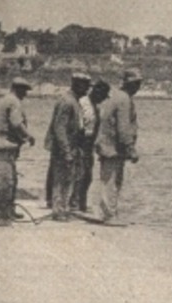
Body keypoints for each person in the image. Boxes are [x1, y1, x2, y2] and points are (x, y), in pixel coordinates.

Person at [94, 69, 141, 224]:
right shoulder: (124, 99)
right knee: (112, 181)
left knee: (109, 180)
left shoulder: (116, 96)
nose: (138, 87)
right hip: (112, 147)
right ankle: (109, 215)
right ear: (130, 84)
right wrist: (130, 148)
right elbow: (123, 127)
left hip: (108, 144)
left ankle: (109, 213)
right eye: (136, 84)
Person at [44, 73, 91, 220]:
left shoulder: (73, 101)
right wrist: (66, 151)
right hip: (64, 148)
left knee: (68, 179)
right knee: (61, 180)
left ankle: (62, 209)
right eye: (86, 85)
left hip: (71, 146)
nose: (88, 89)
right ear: (77, 84)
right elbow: (60, 128)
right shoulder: (67, 102)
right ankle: (59, 212)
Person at [74, 78, 105, 213]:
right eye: (102, 96)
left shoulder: (96, 106)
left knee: (87, 176)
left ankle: (81, 203)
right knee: (80, 175)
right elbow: (78, 126)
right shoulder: (83, 103)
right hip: (80, 142)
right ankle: (75, 203)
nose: (103, 99)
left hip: (89, 145)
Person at [0, 77, 35, 146]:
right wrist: (29, 136)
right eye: (24, 90)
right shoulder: (14, 101)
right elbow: (17, 123)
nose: (25, 94)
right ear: (17, 89)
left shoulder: (3, 100)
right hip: (7, 142)